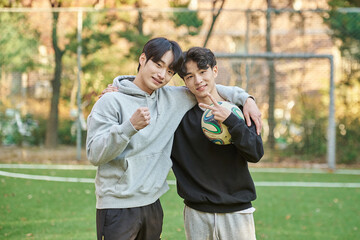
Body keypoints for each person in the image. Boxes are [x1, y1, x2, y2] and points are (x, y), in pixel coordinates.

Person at [88, 37, 261, 240]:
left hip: (152, 205)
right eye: (158, 65)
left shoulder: (172, 98)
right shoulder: (111, 100)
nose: (162, 75)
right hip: (117, 206)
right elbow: (94, 154)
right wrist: (129, 127)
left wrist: (246, 99)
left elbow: (206, 88)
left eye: (169, 71)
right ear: (143, 59)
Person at [171, 47, 264, 240]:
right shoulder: (179, 117)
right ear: (184, 81)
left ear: (214, 71)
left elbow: (255, 153)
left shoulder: (240, 111)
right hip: (197, 212)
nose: (198, 81)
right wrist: (116, 90)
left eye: (203, 72)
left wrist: (231, 120)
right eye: (189, 76)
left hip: (237, 212)